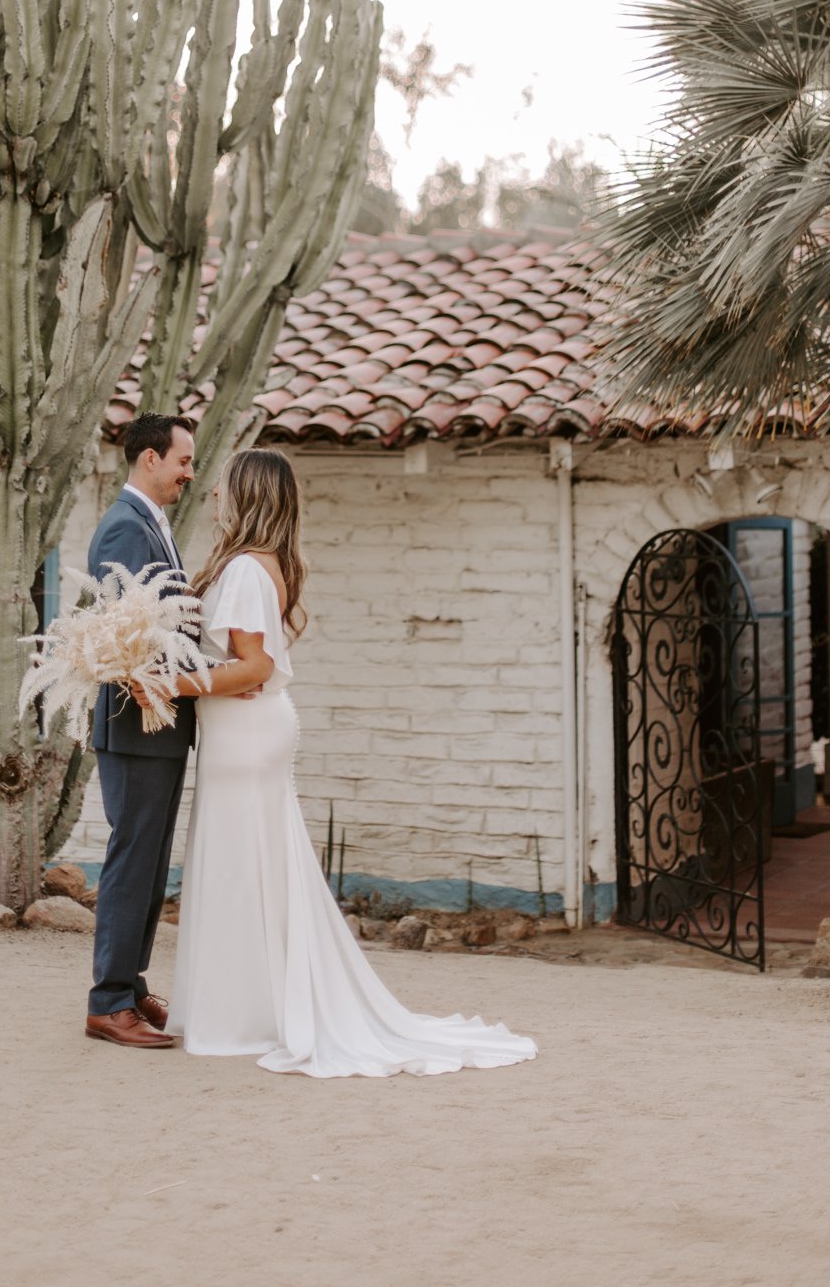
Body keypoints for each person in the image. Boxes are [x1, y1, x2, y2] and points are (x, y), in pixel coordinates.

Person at [163, 447, 539, 1079]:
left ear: (248, 494)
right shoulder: (257, 565)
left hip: (247, 737)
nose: (216, 495)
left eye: (226, 485)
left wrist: (173, 684)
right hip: (243, 733)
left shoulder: (249, 572)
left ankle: (242, 1017)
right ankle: (242, 1008)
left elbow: (252, 667)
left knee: (243, 863)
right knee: (246, 864)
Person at [82, 413, 265, 1050]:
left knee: (151, 860)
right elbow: (128, 632)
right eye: (183, 461)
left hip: (158, 721)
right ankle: (107, 1003)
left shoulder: (148, 524)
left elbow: (165, 628)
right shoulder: (126, 528)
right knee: (133, 860)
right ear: (150, 459)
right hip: (138, 721)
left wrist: (213, 668)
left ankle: (130, 987)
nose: (191, 473)